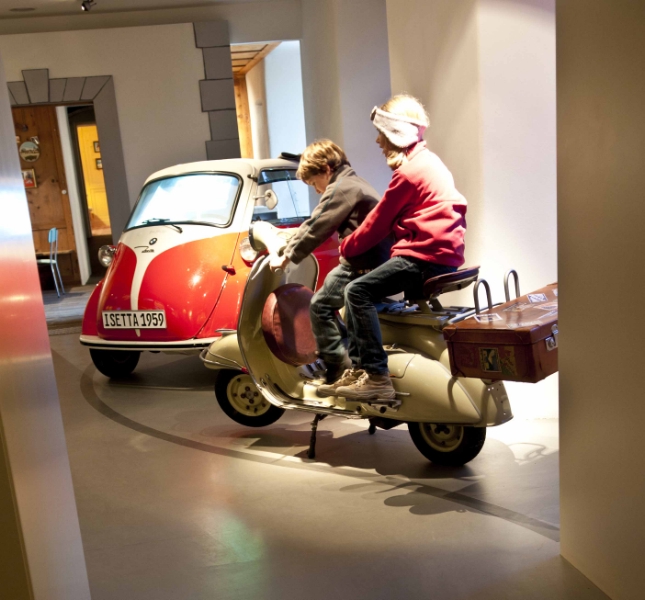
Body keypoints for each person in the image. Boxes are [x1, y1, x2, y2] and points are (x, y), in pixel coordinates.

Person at [318, 94, 467, 401]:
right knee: (363, 292)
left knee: (355, 291)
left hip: (424, 257)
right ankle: (360, 370)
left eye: (382, 134)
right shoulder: (430, 162)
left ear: (396, 133)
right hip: (443, 255)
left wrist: (347, 247)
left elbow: (377, 223)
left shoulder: (409, 174)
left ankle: (376, 377)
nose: (378, 141)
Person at [269, 139, 391, 384]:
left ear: (326, 169)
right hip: (375, 259)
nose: (317, 190)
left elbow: (317, 224)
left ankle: (336, 367)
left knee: (319, 305)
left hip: (361, 264)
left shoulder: (341, 188)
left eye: (314, 182)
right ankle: (354, 364)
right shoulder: (357, 182)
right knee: (342, 308)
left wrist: (287, 256)